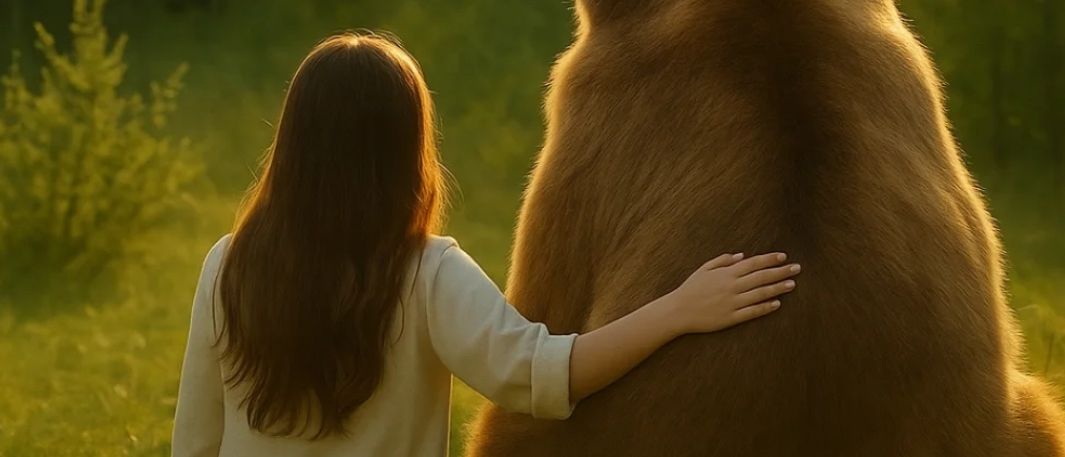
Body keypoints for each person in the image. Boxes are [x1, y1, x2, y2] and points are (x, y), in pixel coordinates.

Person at [171, 32, 801, 457]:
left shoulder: (228, 264)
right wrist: (680, 308)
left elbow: (195, 441)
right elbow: (542, 378)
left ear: (295, 144)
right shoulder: (425, 275)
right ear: (405, 150)